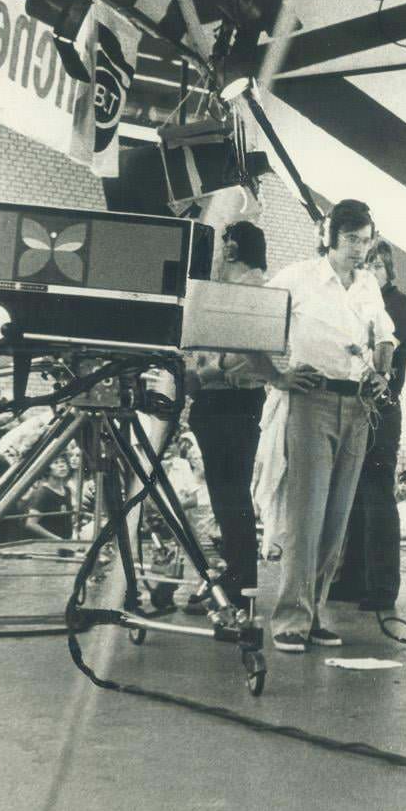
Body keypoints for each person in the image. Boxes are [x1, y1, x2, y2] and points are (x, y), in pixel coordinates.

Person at [245, 200, 397, 654]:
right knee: (305, 516)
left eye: (365, 240)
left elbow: (385, 335)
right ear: (330, 236)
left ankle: (313, 615)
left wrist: (382, 366)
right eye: (351, 239)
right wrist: (275, 376)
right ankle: (289, 619)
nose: (359, 249)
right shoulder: (298, 278)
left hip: (357, 407)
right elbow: (251, 322)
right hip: (310, 401)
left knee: (336, 519)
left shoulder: (368, 283)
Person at [183, 219, 269, 613]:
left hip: (228, 401)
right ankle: (236, 579)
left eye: (222, 244)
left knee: (230, 496)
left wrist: (207, 374)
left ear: (233, 248)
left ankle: (239, 585)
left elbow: (249, 348)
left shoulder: (249, 290)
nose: (217, 252)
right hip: (223, 401)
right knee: (227, 497)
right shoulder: (236, 288)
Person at [332, 238, 406, 611]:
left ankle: (383, 586)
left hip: (381, 409)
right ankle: (352, 580)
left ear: (388, 270)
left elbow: (381, 351)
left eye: (377, 267)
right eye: (364, 268)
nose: (369, 274)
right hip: (354, 405)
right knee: (352, 496)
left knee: (376, 493)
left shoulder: (398, 306)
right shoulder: (359, 305)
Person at [22, 456, 76, 542]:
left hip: (65, 542)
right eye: (56, 463)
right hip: (48, 545)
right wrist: (57, 539)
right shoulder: (42, 493)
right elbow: (31, 523)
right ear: (47, 468)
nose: (61, 465)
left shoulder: (67, 490)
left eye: (63, 462)